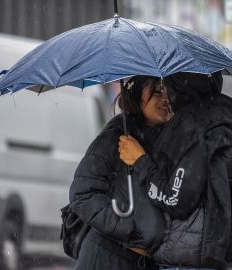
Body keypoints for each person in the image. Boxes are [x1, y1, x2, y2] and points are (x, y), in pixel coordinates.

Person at [119, 72, 232, 269]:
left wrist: (140, 161)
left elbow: (175, 200)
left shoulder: (194, 127)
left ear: (180, 88)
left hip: (188, 259)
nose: (166, 96)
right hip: (224, 252)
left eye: (168, 86)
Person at [69, 76, 171, 270]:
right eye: (157, 91)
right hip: (107, 257)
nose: (166, 97)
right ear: (136, 93)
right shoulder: (116, 136)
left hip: (143, 262)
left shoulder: (166, 137)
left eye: (168, 90)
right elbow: (82, 194)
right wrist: (129, 228)